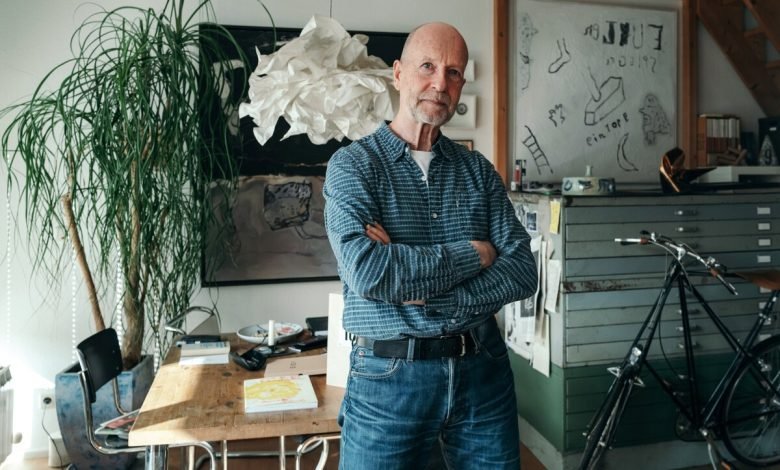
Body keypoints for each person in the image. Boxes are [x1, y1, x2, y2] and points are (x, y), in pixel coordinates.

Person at [323, 21, 538, 470]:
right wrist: (477, 254)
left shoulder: (478, 171)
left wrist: (430, 293)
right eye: (428, 67)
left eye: (454, 72)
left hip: (483, 374)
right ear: (398, 73)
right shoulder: (353, 167)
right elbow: (369, 272)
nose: (441, 83)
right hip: (388, 381)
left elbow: (521, 271)